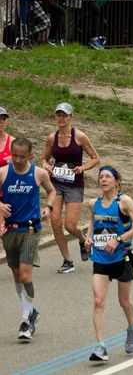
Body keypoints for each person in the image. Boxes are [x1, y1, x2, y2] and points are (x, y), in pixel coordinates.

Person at [85, 165, 133, 361]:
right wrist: (88, 238)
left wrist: (118, 239)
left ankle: (132, 327)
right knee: (98, 301)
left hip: (122, 256)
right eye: (101, 177)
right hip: (101, 257)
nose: (103, 180)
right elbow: (93, 223)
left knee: (123, 302)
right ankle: (101, 346)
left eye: (108, 176)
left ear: (116, 182)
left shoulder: (124, 201)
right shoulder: (94, 203)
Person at [0, 138, 56, 340]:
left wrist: (48, 207)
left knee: (25, 275)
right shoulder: (4, 172)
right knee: (16, 276)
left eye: (22, 157)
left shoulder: (38, 173)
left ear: (30, 156)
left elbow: (52, 191)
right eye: (14, 155)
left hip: (31, 229)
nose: (18, 160)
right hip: (9, 231)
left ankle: (25, 321)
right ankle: (30, 311)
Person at [42, 102, 100, 274]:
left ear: (71, 118)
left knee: (70, 226)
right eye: (58, 115)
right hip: (56, 185)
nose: (61, 118)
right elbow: (44, 158)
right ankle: (67, 260)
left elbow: (95, 158)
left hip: (74, 185)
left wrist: (82, 168)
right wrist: (46, 166)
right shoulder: (51, 138)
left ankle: (82, 240)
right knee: (55, 222)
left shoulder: (79, 136)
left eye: (64, 115)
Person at [0, 107, 14, 233]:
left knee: (3, 231)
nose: (1, 122)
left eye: (3, 119)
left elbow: (27, 166)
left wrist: (15, 163)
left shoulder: (12, 142)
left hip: (6, 191)